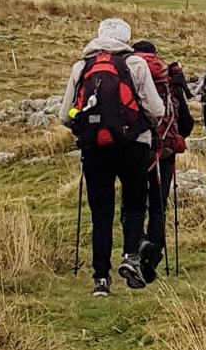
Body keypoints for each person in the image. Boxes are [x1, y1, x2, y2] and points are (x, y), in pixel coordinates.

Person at [62, 17, 168, 296]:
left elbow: (65, 115)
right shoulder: (135, 64)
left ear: (98, 37)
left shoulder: (82, 66)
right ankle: (131, 257)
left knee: (101, 213)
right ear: (127, 38)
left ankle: (100, 279)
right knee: (134, 204)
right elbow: (156, 110)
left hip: (94, 148)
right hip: (133, 145)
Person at [129, 39, 193, 283]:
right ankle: (152, 261)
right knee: (158, 206)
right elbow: (186, 124)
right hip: (164, 154)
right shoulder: (169, 79)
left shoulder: (127, 74)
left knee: (133, 205)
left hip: (133, 151)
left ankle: (138, 243)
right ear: (156, 55)